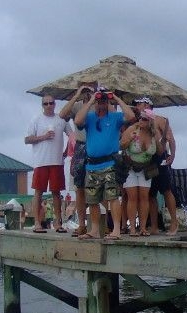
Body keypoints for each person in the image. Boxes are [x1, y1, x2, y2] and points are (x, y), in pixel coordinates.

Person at [75, 87, 135, 239]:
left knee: (112, 197)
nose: (101, 104)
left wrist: (116, 98)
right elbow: (77, 121)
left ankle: (116, 230)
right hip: (91, 165)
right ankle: (94, 230)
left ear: (108, 103)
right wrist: (91, 101)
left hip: (109, 164)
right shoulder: (89, 117)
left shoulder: (115, 117)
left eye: (104, 101)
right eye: (99, 101)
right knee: (92, 199)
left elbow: (131, 116)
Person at [131, 97, 180, 235]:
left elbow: (170, 138)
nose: (137, 107)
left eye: (139, 104)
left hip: (160, 158)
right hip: (146, 159)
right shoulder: (138, 121)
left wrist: (172, 155)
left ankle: (174, 223)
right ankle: (153, 226)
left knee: (166, 190)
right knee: (150, 194)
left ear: (147, 105)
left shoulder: (159, 119)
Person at [24, 93, 70, 233]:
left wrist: (66, 152)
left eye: (51, 103)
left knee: (56, 192)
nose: (49, 106)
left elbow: (71, 136)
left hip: (56, 161)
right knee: (38, 191)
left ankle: (58, 222)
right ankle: (37, 222)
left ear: (55, 104)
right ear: (42, 105)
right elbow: (27, 139)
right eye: (46, 103)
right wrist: (43, 137)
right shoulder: (36, 119)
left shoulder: (61, 119)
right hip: (41, 161)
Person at [119, 108, 163, 236]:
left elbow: (160, 152)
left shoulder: (153, 133)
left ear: (150, 121)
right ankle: (132, 228)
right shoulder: (132, 129)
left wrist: (158, 139)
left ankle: (143, 227)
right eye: (140, 118)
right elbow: (121, 146)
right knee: (132, 197)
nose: (141, 121)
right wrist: (130, 140)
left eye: (144, 119)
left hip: (146, 168)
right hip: (130, 167)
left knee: (145, 198)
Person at [59, 84, 95, 237]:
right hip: (80, 148)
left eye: (90, 88)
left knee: (98, 187)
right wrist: (76, 95)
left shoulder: (101, 105)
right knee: (78, 188)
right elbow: (62, 114)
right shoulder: (77, 106)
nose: (88, 92)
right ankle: (81, 224)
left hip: (96, 147)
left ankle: (100, 224)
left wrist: (97, 96)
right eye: (85, 89)